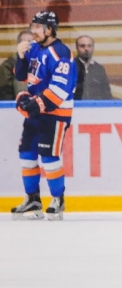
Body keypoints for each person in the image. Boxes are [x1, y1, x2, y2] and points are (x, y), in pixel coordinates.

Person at [11, 11, 76, 221]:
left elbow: (61, 88)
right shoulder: (34, 48)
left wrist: (34, 104)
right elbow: (21, 76)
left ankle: (58, 199)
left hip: (55, 114)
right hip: (38, 113)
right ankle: (33, 199)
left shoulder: (61, 52)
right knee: (27, 156)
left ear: (50, 29)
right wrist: (20, 56)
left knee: (49, 159)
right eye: (33, 26)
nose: (34, 31)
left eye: (38, 27)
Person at [74, 35, 112, 100]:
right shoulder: (70, 67)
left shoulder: (99, 69)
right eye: (82, 46)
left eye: (89, 46)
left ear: (93, 47)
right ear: (77, 48)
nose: (86, 49)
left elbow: (106, 93)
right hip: (76, 107)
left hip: (96, 108)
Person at [0, 30, 33, 101]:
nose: (28, 45)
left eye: (31, 42)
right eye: (25, 42)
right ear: (18, 44)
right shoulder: (8, 65)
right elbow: (4, 90)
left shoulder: (41, 61)